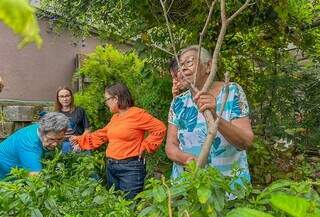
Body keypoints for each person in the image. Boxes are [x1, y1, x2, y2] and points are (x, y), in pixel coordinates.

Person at [165, 45, 254, 186]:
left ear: (208, 66)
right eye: (180, 65)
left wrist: (215, 116)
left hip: (228, 187)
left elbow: (246, 141)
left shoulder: (231, 92)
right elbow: (171, 146)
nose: (183, 69)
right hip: (188, 187)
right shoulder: (179, 102)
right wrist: (187, 159)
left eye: (189, 62)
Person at [70, 83, 166, 199]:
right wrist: (80, 140)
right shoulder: (116, 117)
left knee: (129, 208)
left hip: (131, 169)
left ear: (116, 98)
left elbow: (159, 128)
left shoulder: (137, 114)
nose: (106, 103)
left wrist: (146, 146)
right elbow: (103, 134)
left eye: (106, 100)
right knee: (115, 206)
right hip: (111, 168)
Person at [0, 112, 69, 179]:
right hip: (5, 176)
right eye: (51, 139)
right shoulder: (29, 144)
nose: (55, 144)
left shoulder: (44, 128)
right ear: (41, 132)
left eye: (59, 139)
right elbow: (35, 177)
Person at [55, 86, 90, 153]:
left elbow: (87, 129)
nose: (65, 99)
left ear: (71, 97)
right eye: (62, 96)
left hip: (80, 145)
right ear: (58, 99)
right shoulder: (56, 114)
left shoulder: (79, 110)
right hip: (63, 146)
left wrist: (80, 142)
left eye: (67, 96)